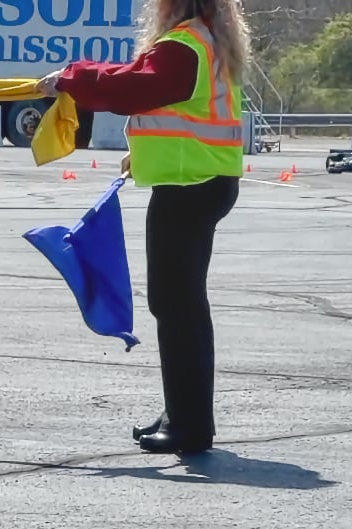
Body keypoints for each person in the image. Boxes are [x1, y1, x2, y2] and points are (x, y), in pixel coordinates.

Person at [37, 0, 250, 455]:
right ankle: (184, 412)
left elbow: (133, 88)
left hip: (188, 186)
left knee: (175, 305)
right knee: (182, 304)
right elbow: (177, 110)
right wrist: (146, 154)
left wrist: (71, 77)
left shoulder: (184, 45)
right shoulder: (207, 41)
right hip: (200, 180)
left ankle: (190, 425)